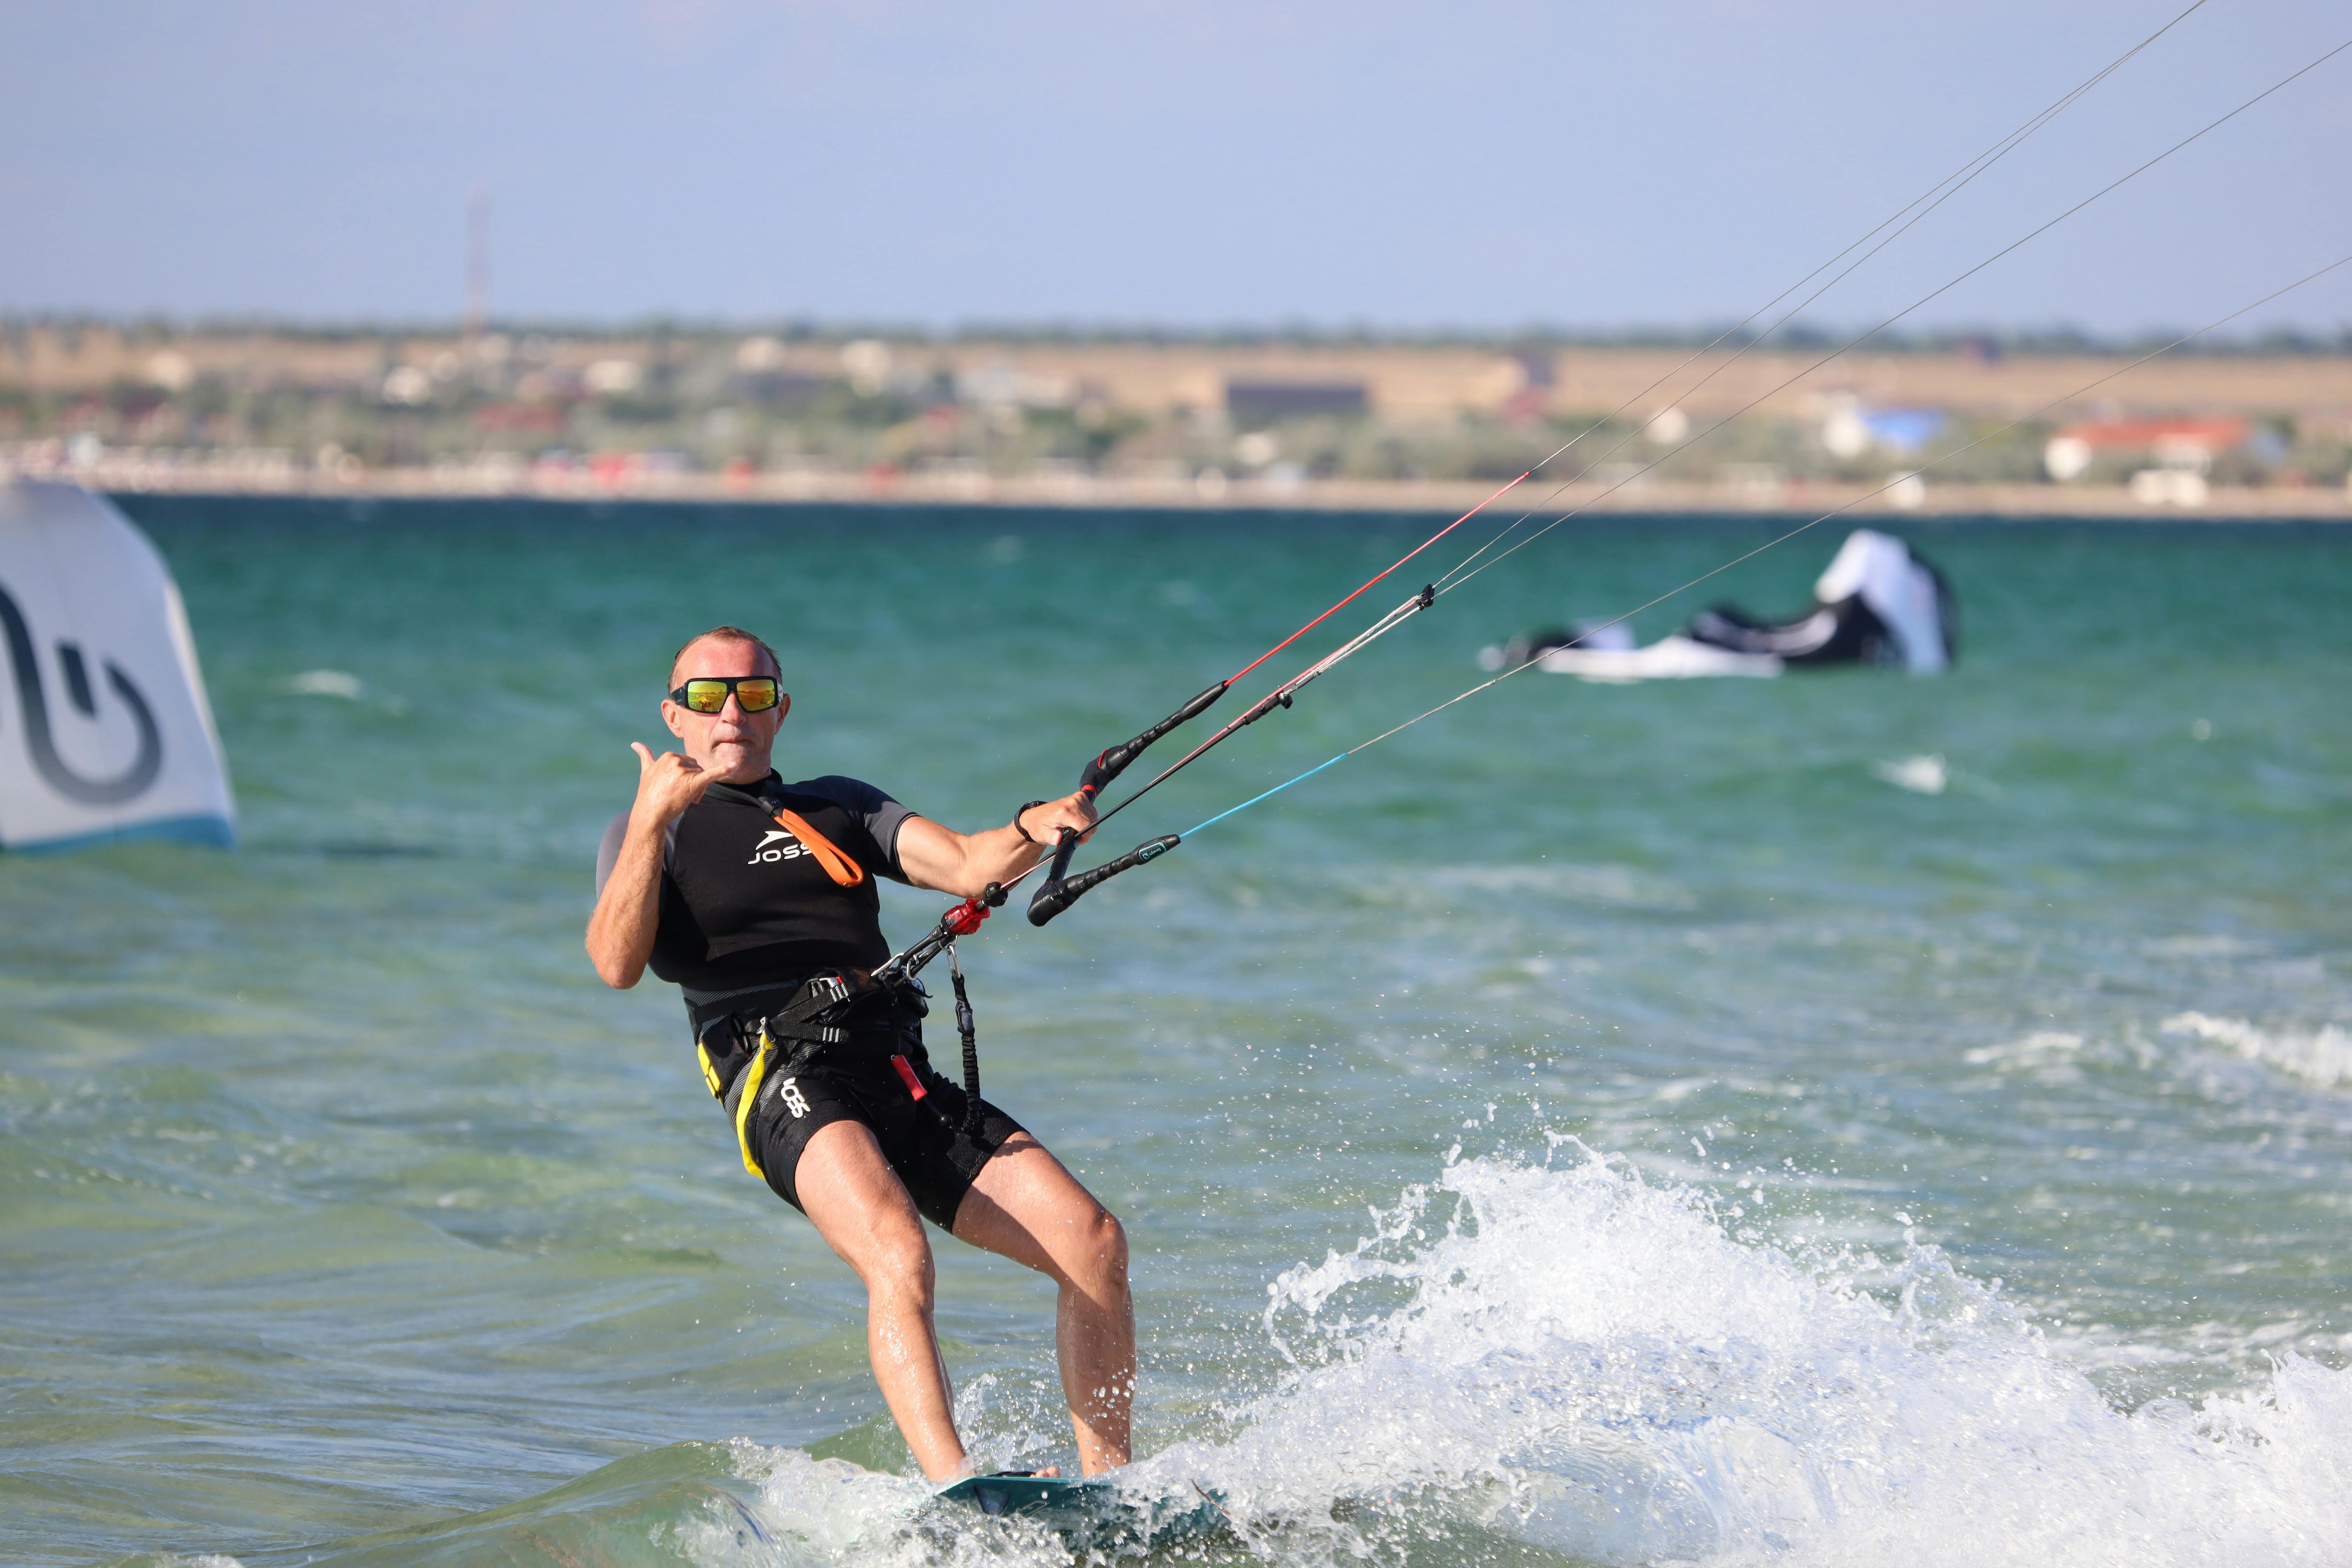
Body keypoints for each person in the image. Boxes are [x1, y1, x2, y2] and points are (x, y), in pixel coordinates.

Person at [586, 625, 1130, 1482]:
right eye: (707, 696)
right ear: (673, 716)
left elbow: (964, 861)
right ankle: (958, 1486)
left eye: (755, 693)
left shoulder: (836, 805)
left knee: (1093, 1241)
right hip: (782, 1077)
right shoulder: (650, 832)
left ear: (781, 710)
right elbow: (616, 964)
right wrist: (654, 816)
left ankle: (1113, 1492)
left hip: (891, 1063)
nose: (732, 710)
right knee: (895, 1246)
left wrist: (1036, 821)